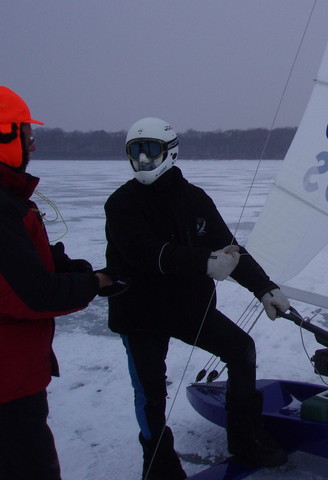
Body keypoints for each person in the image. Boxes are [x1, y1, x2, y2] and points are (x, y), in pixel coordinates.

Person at [104, 117, 291, 480]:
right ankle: (159, 465)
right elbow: (145, 252)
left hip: (188, 309)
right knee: (150, 393)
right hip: (139, 313)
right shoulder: (121, 204)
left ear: (170, 152)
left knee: (241, 350)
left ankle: (246, 438)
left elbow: (230, 251)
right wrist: (203, 261)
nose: (143, 160)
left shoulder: (195, 199)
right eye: (135, 152)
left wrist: (265, 288)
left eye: (150, 151)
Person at [0, 86, 114, 480]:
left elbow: (31, 262)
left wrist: (77, 270)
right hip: (7, 388)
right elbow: (32, 294)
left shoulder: (11, 201)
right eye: (26, 136)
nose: (32, 146)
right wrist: (94, 283)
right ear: (6, 138)